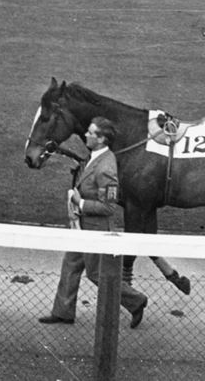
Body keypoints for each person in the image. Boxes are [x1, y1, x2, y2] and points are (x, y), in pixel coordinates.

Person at [38, 117, 149, 329]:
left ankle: (135, 300)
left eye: (91, 133)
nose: (86, 135)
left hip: (96, 231)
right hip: (83, 227)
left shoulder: (106, 167)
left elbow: (109, 207)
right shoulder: (95, 157)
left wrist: (80, 202)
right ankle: (63, 312)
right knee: (70, 264)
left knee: (96, 274)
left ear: (102, 139)